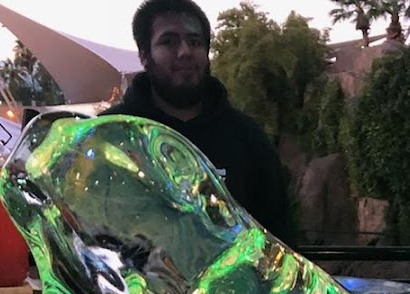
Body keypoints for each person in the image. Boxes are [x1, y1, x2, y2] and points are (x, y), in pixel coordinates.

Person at [108, 0, 293, 240]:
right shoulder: (112, 133)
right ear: (144, 55)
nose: (185, 52)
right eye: (169, 42)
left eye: (195, 42)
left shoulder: (247, 137)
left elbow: (280, 236)